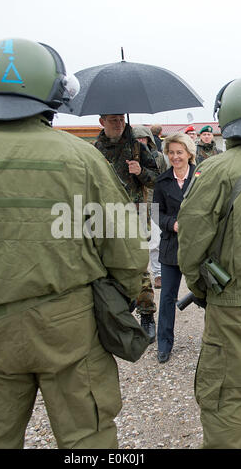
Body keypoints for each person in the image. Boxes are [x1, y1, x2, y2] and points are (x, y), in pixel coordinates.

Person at [0, 38, 149, 450]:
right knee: (89, 442)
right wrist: (112, 303)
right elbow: (127, 249)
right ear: (51, 90)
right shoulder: (80, 157)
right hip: (70, 328)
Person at [177, 76, 241, 449]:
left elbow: (191, 244)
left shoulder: (215, 171)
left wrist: (203, 289)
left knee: (226, 401)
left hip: (233, 312)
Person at [95, 116, 159, 343]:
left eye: (121, 119)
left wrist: (140, 171)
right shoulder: (95, 150)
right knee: (108, 266)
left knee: (139, 265)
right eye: (113, 120)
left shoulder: (137, 147)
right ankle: (120, 312)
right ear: (102, 121)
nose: (118, 124)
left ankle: (147, 314)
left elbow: (156, 179)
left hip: (136, 213)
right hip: (107, 214)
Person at [153, 133, 196, 363]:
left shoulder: (201, 178)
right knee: (167, 297)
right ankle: (164, 344)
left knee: (208, 293)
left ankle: (214, 342)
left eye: (179, 152)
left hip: (197, 247)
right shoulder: (162, 181)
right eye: (171, 152)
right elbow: (155, 213)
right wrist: (172, 224)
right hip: (171, 246)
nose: (175, 156)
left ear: (189, 153)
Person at [132, 125, 170, 289]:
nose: (141, 141)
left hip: (154, 202)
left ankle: (158, 273)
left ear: (149, 139)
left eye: (143, 138)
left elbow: (164, 178)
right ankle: (139, 275)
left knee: (155, 242)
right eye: (137, 138)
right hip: (134, 204)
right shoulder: (127, 157)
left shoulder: (158, 157)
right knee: (137, 243)